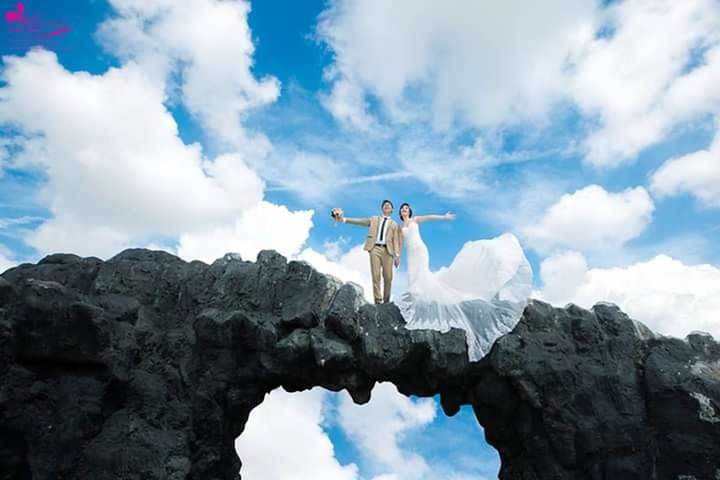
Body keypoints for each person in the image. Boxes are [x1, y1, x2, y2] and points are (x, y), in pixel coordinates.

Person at [396, 202, 533, 361]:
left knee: (422, 274)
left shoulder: (415, 220)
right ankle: (417, 298)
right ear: (400, 213)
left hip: (420, 249)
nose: (404, 210)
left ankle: (423, 298)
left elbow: (430, 217)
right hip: (410, 252)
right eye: (402, 209)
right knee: (413, 274)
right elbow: (400, 243)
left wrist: (444, 217)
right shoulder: (400, 227)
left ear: (409, 210)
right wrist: (398, 256)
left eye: (406, 208)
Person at [331, 200, 401, 304]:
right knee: (375, 276)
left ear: (392, 210)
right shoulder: (374, 219)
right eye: (385, 205)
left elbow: (396, 240)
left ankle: (386, 302)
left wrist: (397, 255)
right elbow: (360, 221)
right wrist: (343, 219)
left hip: (388, 251)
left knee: (388, 277)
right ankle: (378, 302)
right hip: (374, 249)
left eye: (389, 205)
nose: (386, 206)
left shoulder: (394, 224)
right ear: (382, 208)